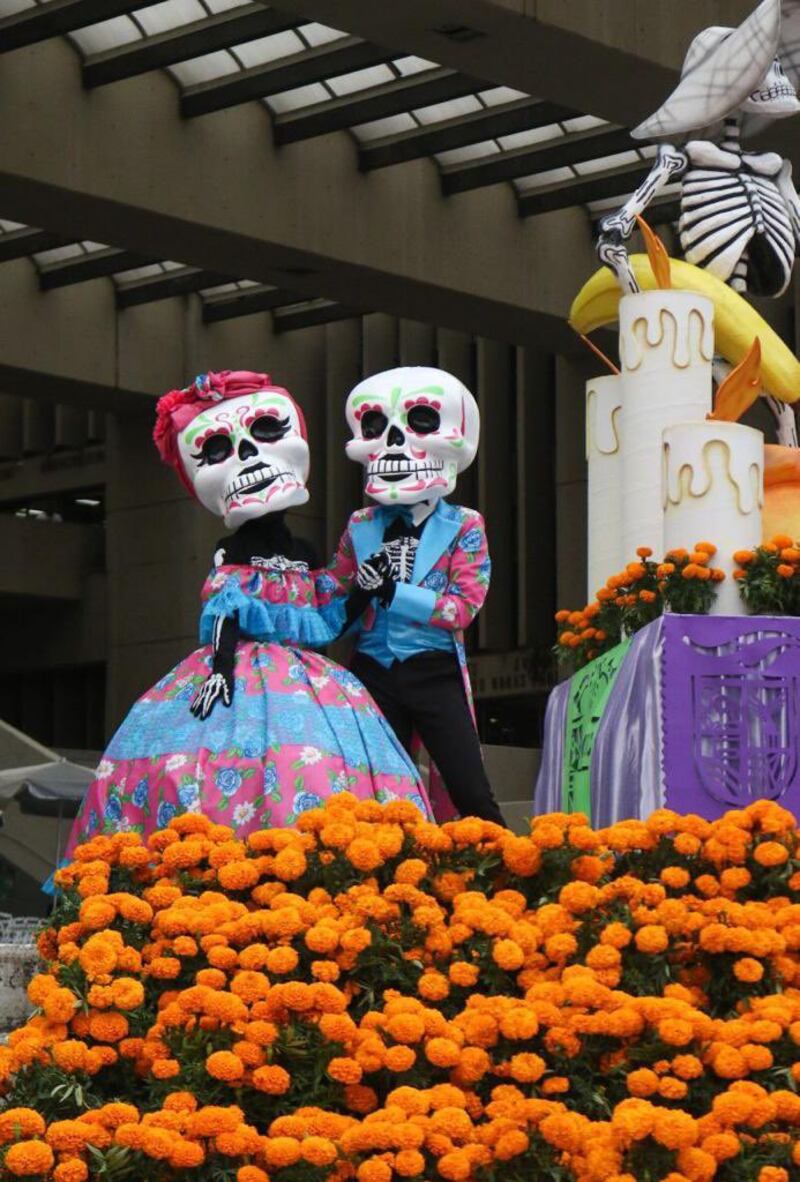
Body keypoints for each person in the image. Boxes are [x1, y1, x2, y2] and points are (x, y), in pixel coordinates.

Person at [63, 370, 431, 859]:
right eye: (217, 450)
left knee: (317, 771)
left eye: (266, 433)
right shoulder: (231, 550)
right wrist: (219, 669)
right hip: (240, 670)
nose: (249, 458)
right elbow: (224, 612)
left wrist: (364, 590)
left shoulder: (303, 550)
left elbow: (324, 620)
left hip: (308, 678)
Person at [315, 366, 504, 826]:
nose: (393, 443)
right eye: (375, 429)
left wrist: (395, 592)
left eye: (419, 422)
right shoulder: (361, 525)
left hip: (432, 669)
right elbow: (329, 608)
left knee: (470, 791)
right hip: (372, 674)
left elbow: (462, 609)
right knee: (378, 797)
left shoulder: (464, 524)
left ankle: (510, 880)